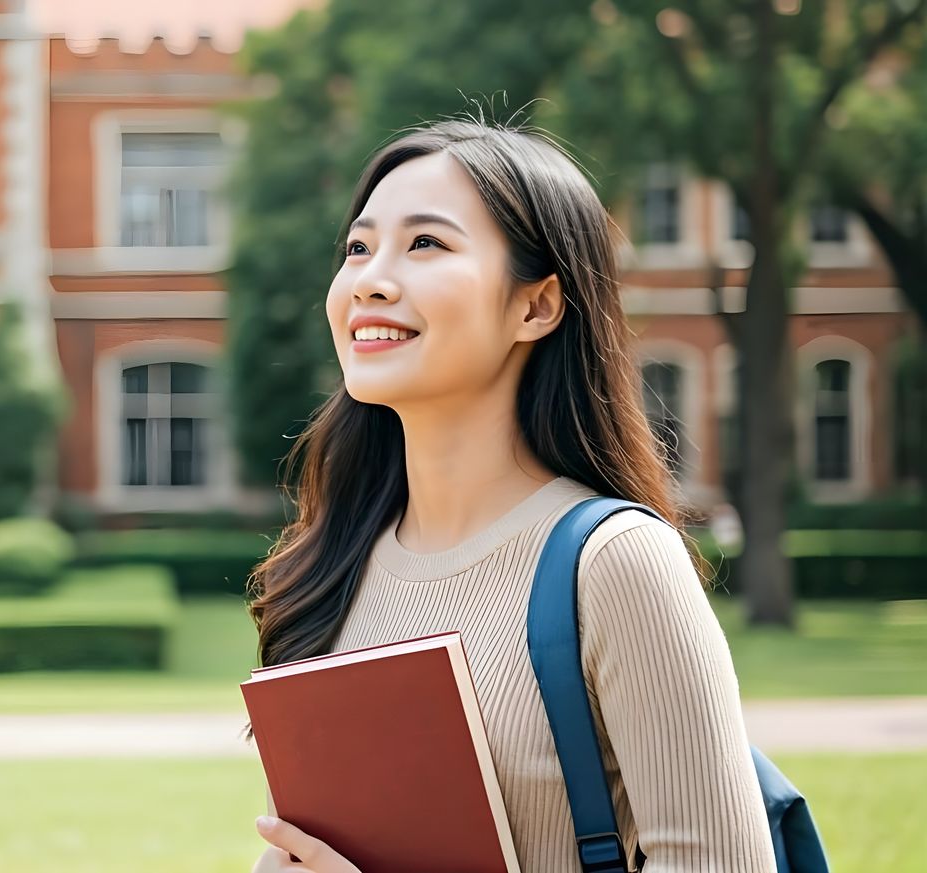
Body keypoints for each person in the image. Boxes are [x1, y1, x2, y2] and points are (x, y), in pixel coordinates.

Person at [244, 118, 775, 872]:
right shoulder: (335, 564)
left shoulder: (615, 562)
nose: (368, 279)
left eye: (425, 243)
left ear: (538, 306)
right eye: (359, 247)